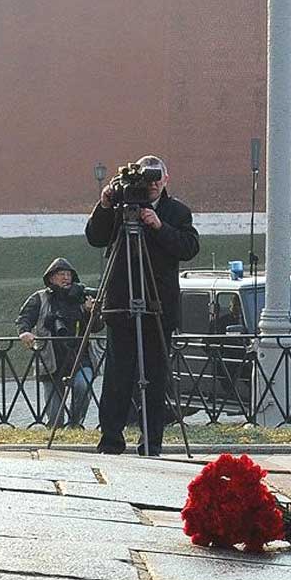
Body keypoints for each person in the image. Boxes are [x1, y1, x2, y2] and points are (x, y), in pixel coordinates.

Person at [85, 155, 199, 456]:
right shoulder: (122, 207)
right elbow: (95, 237)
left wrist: (160, 227)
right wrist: (105, 205)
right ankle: (110, 440)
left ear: (166, 178)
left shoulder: (176, 212)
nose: (150, 185)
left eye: (156, 178)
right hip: (121, 305)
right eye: (146, 179)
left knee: (155, 377)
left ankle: (151, 443)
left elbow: (189, 248)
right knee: (117, 377)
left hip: (158, 305)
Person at [16, 258, 99, 428]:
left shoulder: (82, 297)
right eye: (61, 274)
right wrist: (24, 332)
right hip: (52, 357)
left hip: (80, 355)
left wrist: (91, 312)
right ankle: (56, 429)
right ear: (51, 278)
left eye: (68, 274)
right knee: (54, 409)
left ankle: (75, 425)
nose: (66, 278)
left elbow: (97, 327)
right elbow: (24, 318)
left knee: (83, 386)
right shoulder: (39, 298)